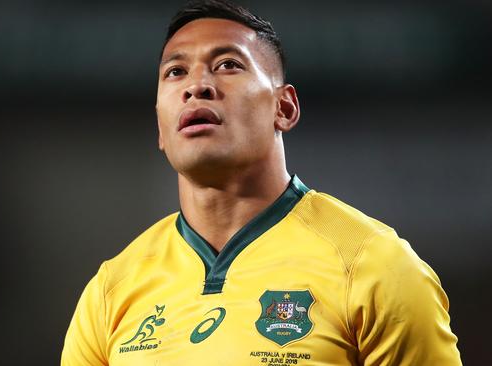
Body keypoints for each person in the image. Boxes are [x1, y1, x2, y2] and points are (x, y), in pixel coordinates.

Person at [61, 1, 461, 365]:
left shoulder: (374, 266)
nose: (196, 86)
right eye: (175, 72)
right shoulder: (111, 291)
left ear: (284, 108)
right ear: (161, 129)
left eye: (228, 65)